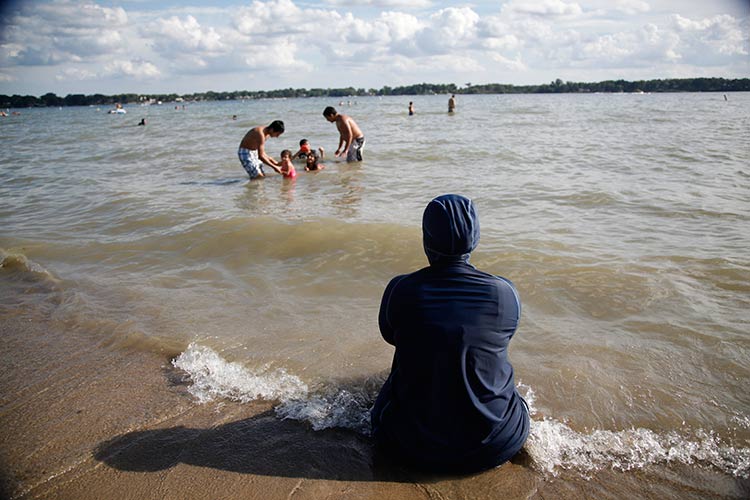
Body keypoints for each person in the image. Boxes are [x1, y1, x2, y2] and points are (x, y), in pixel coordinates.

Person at [371, 194, 529, 474]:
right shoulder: (504, 293)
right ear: (475, 237)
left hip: (408, 445)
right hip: (495, 445)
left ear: (426, 238)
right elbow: (502, 338)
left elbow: (390, 335)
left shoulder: (401, 289)